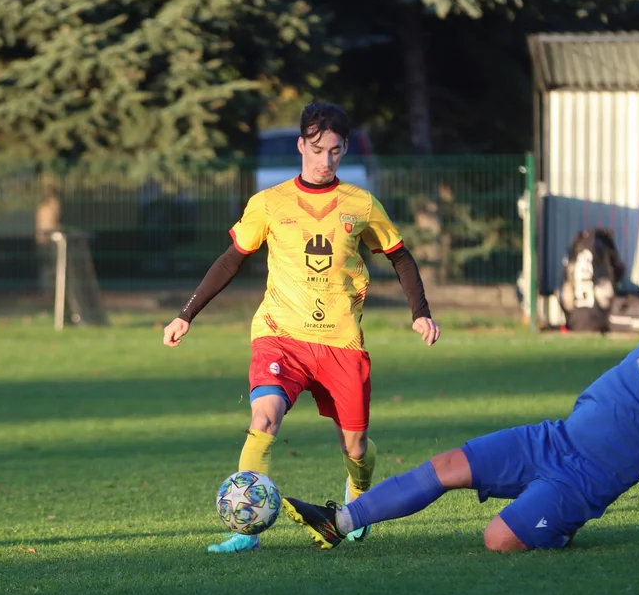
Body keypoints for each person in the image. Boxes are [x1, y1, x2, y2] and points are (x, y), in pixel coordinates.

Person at [283, 166, 639, 555]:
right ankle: (338, 522)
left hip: (583, 482)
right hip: (553, 438)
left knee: (498, 540)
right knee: (447, 465)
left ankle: (558, 525)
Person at [162, 102, 441, 554]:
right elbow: (232, 258)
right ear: (300, 146)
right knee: (264, 416)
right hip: (280, 335)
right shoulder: (269, 203)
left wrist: (420, 312)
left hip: (341, 342)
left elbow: (399, 255)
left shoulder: (361, 204)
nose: (325, 159)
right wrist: (186, 313)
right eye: (316, 149)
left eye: (334, 151)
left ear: (344, 149)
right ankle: (245, 530)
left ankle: (359, 499)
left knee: (355, 445)